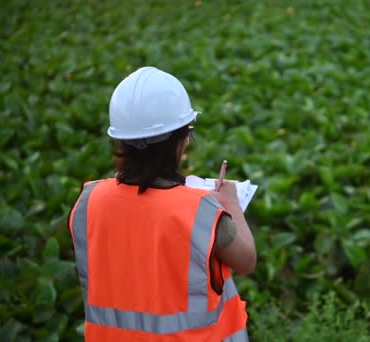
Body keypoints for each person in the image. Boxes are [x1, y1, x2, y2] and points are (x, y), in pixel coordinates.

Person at [68, 66, 256, 341]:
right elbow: (247, 260)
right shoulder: (202, 211)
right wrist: (232, 206)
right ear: (180, 143)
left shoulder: (88, 201)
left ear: (121, 141)